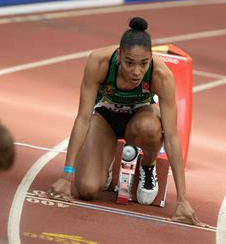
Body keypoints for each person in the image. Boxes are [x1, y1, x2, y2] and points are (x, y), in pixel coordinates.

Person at [48, 17, 205, 226]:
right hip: (105, 118)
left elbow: (172, 136)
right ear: (119, 55)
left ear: (151, 58)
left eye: (144, 64)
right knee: (86, 190)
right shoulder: (99, 62)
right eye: (129, 63)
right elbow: (83, 118)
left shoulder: (161, 76)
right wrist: (67, 176)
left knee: (150, 127)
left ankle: (147, 166)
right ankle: (106, 159)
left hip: (140, 120)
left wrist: (182, 200)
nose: (137, 72)